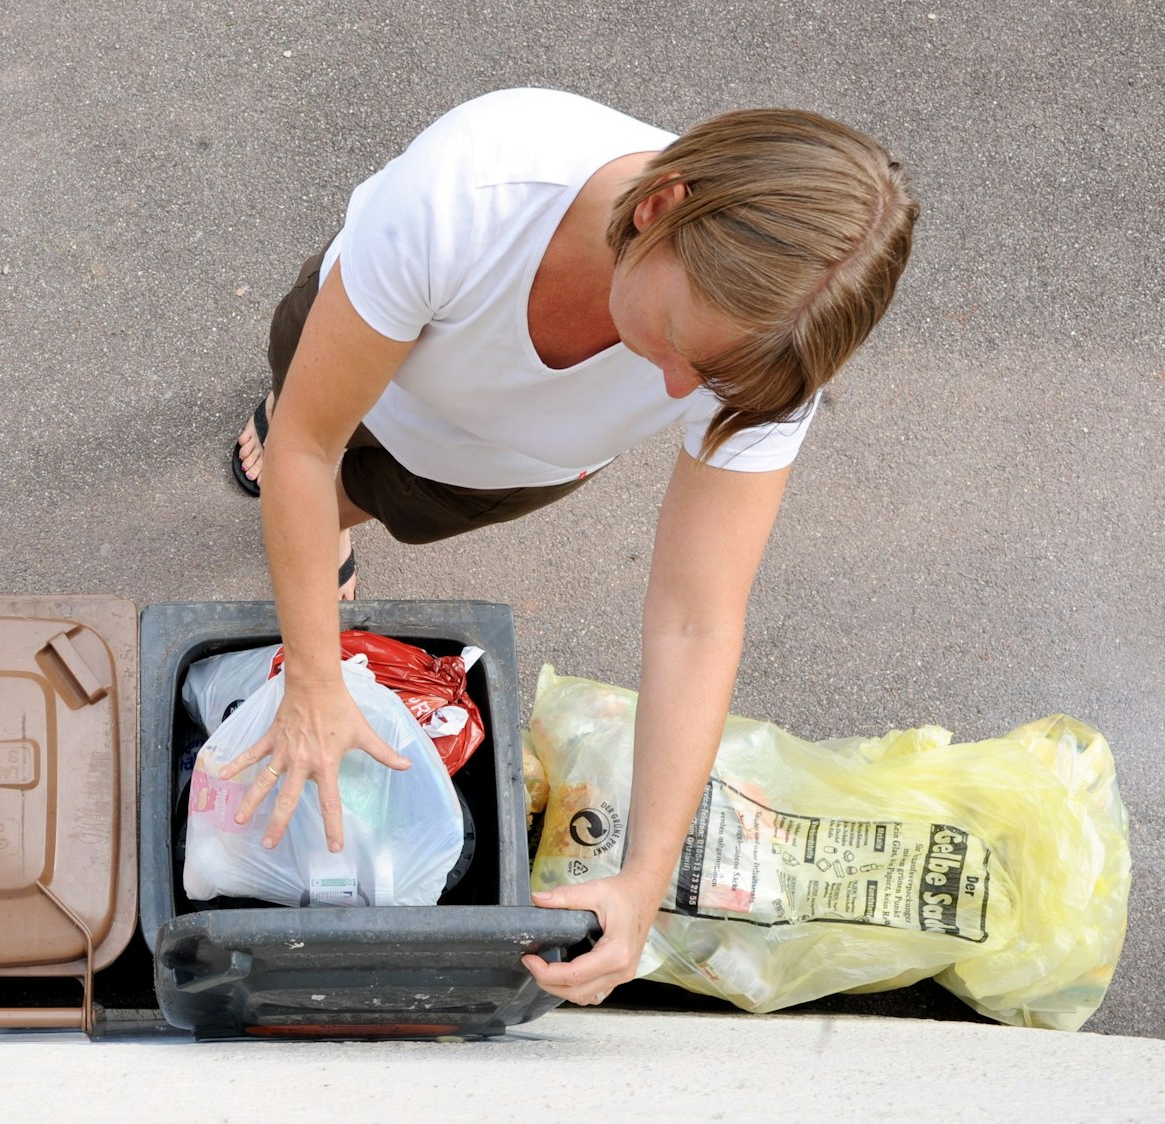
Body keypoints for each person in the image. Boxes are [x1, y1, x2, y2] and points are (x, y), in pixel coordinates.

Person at [221, 88, 918, 1008]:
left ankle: (340, 524)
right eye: (675, 341)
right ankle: (288, 454)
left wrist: (644, 877)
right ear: (658, 206)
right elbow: (310, 448)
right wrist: (312, 679)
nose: (673, 388)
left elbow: (695, 618)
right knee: (297, 446)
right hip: (360, 350)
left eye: (703, 377)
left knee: (389, 502)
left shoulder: (760, 362)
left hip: (500, 463)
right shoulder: (473, 189)